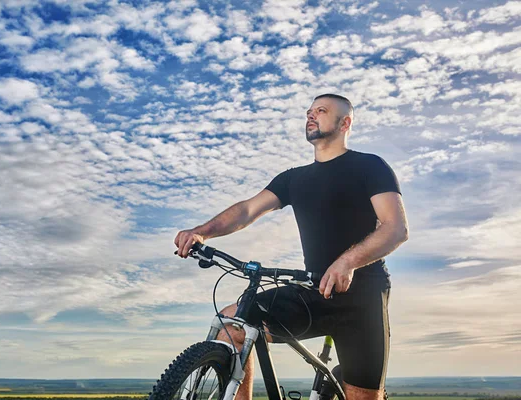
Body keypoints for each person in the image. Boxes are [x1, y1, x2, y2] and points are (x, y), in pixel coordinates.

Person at [174, 94, 409, 400]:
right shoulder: (294, 179)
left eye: (321, 111)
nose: (311, 116)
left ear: (345, 123)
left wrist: (348, 261)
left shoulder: (369, 167)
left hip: (362, 297)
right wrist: (201, 232)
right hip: (311, 291)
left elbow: (396, 227)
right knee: (233, 325)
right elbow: (247, 210)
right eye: (309, 112)